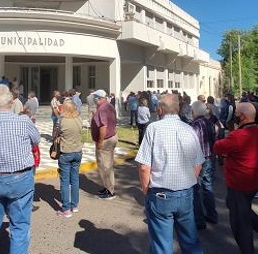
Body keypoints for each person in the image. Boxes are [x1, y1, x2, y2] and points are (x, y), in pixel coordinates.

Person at [135, 94, 205, 254]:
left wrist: (146, 191)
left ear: (160, 109)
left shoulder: (153, 129)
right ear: (178, 109)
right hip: (186, 193)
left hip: (160, 194)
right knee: (190, 240)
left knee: (161, 244)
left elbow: (144, 166)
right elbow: (198, 163)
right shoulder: (189, 129)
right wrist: (187, 183)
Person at [0, 85, 40, 254]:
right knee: (20, 227)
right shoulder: (23, 121)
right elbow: (36, 139)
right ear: (11, 101)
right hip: (20, 177)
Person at [213, 103, 258, 253]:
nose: (234, 115)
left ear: (242, 116)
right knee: (236, 207)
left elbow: (218, 147)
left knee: (240, 224)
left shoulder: (238, 135)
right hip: (251, 180)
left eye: (236, 113)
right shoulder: (256, 130)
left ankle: (257, 240)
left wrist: (222, 135)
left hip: (239, 183)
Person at [190, 101, 217, 230]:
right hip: (209, 158)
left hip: (198, 161)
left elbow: (192, 144)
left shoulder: (196, 125)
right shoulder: (210, 123)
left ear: (194, 112)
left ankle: (199, 220)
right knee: (208, 187)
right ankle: (212, 215)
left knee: (195, 190)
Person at [56, 100, 84, 218]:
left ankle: (66, 209)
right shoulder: (79, 119)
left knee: (65, 181)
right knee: (75, 179)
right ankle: (75, 205)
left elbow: (56, 133)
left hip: (65, 151)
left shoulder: (61, 120)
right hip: (78, 151)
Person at [90, 89, 118, 200]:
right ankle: (107, 186)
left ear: (99, 98)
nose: (94, 100)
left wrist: (100, 142)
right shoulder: (109, 106)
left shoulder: (102, 109)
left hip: (105, 140)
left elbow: (103, 127)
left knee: (105, 166)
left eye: (95, 98)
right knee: (107, 164)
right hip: (112, 136)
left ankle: (110, 191)